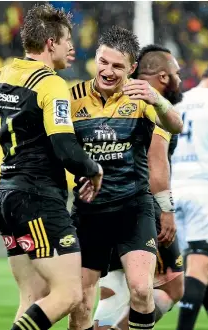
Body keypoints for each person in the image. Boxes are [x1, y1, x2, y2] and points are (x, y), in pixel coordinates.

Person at [0, 4, 103, 330]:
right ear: (51, 44)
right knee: (68, 294)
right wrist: (93, 168)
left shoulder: (4, 74)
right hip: (37, 198)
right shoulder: (51, 84)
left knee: (32, 299)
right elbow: (66, 150)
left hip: (6, 196)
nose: (72, 47)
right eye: (67, 40)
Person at [68, 27, 183, 330]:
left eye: (117, 66)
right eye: (103, 62)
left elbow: (176, 124)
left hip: (133, 209)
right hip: (89, 212)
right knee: (79, 302)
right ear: (95, 58)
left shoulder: (142, 96)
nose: (107, 70)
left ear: (132, 68)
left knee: (142, 289)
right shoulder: (71, 98)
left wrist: (157, 99)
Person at [172, 67, 208, 330]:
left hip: (173, 191)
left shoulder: (180, 101)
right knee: (198, 266)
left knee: (201, 268)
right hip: (202, 191)